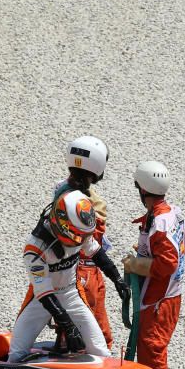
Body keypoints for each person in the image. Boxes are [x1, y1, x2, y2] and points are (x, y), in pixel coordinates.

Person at [8, 189, 129, 362]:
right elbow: (43, 292)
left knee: (101, 352)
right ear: (61, 225)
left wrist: (117, 279)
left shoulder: (79, 229)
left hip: (71, 293)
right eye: (77, 235)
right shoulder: (34, 248)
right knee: (16, 354)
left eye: (84, 236)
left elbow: (95, 252)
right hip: (42, 299)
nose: (81, 240)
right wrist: (67, 325)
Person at [121, 161, 185, 369]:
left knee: (152, 353)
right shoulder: (174, 213)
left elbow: (168, 263)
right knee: (153, 350)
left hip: (158, 300)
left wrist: (135, 264)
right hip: (170, 296)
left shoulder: (159, 223)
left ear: (143, 190)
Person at [54, 136, 115, 348]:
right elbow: (91, 241)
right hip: (83, 272)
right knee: (88, 336)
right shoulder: (87, 202)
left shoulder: (62, 190)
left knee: (89, 334)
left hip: (74, 269)